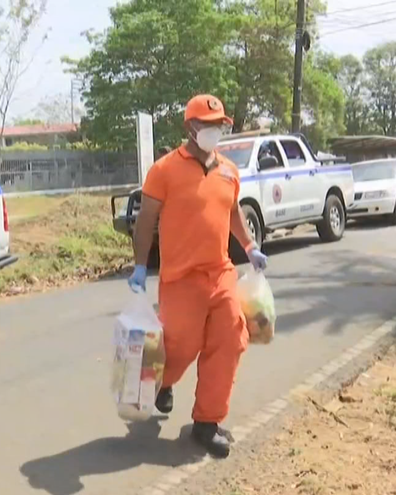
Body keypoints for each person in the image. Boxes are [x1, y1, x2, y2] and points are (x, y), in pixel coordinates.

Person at [128, 94, 268, 458]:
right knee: (181, 345)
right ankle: (161, 383)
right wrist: (141, 265)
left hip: (221, 273)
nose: (214, 130)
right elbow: (146, 221)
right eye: (207, 125)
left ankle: (207, 423)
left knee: (232, 338)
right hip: (180, 278)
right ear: (190, 127)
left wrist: (250, 246)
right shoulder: (165, 170)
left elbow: (232, 211)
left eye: (219, 125)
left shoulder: (228, 170)